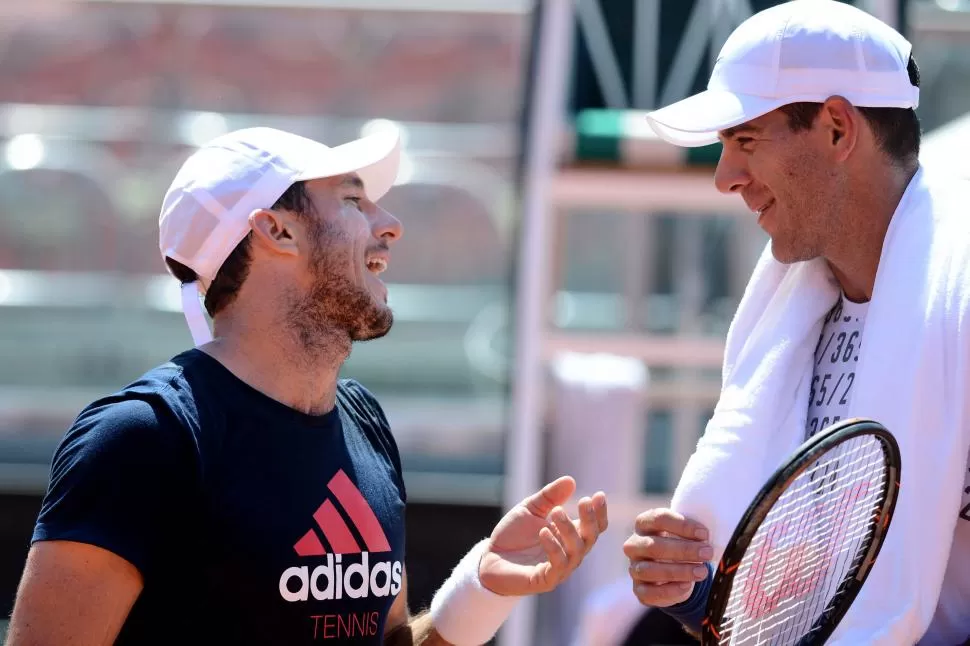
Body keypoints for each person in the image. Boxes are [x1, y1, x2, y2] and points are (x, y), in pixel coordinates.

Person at [5, 124, 609, 645]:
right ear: (277, 231)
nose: (391, 225)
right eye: (353, 200)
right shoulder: (145, 437)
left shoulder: (362, 419)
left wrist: (482, 586)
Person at [622, 1, 970, 644]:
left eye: (745, 140)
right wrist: (695, 588)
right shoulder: (788, 312)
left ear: (838, 129)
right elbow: (800, 604)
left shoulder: (958, 307)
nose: (725, 178)